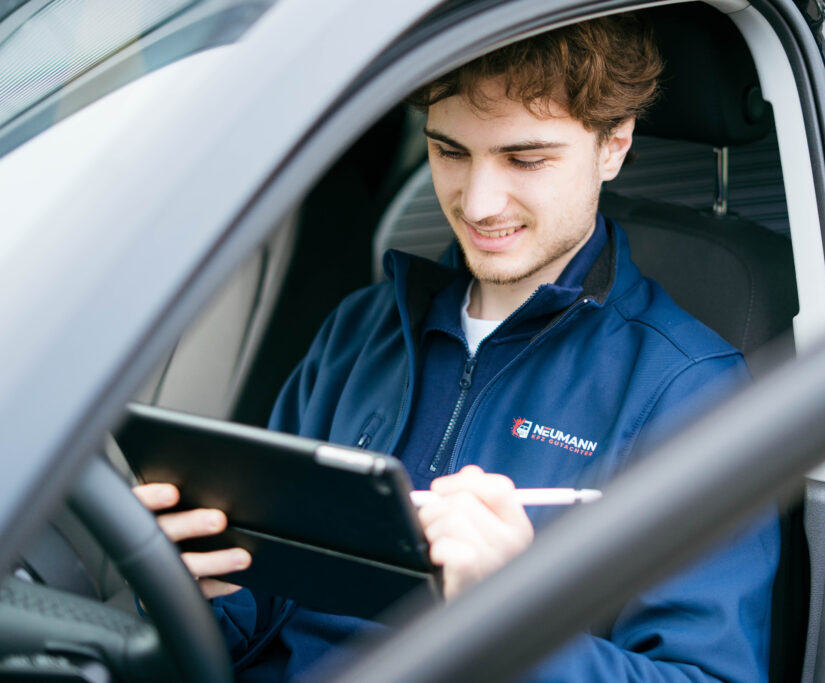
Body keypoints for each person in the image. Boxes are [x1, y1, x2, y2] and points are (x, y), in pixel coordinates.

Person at [134, 14, 779, 682]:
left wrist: (518, 620)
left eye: (525, 159)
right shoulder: (362, 330)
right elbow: (261, 605)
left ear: (613, 144)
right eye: (449, 152)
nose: (478, 203)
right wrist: (194, 589)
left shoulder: (687, 391)